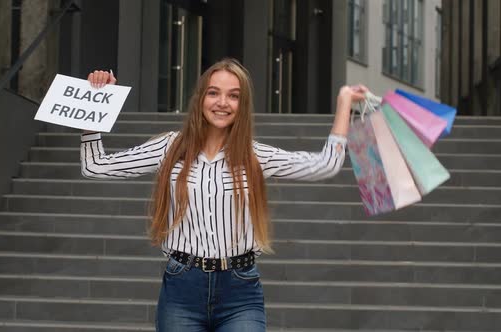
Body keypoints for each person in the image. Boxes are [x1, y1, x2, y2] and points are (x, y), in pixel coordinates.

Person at [81, 58, 367, 332]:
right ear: (200, 98)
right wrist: (94, 104)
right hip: (182, 288)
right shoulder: (169, 147)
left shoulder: (254, 155)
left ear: (242, 105)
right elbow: (95, 166)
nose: (222, 103)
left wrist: (344, 103)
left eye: (233, 96)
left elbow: (325, 164)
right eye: (214, 93)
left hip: (240, 291)